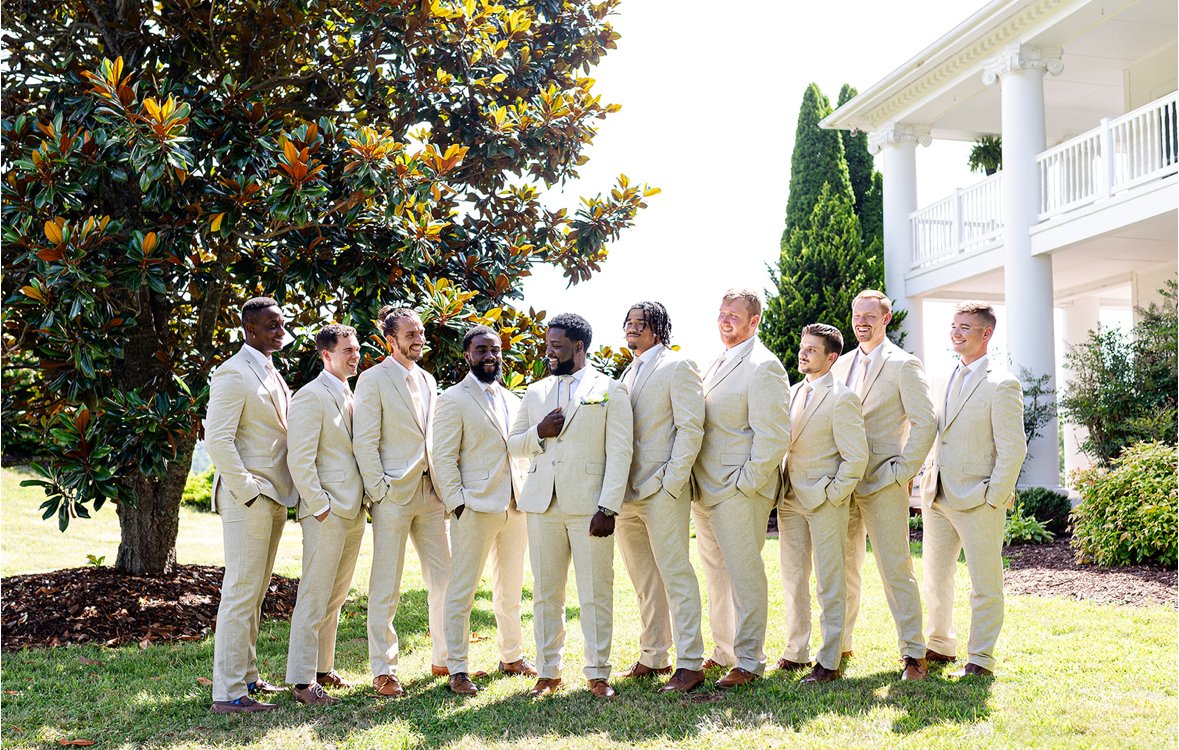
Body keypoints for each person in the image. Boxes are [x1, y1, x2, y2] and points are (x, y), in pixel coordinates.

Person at [507, 313, 633, 699]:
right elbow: (513, 444)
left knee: (596, 592)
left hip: (590, 507)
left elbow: (620, 451)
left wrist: (608, 507)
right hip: (542, 505)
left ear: (578, 347)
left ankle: (598, 674)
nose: (548, 352)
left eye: (556, 346)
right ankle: (548, 673)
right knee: (546, 593)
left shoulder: (610, 389)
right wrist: (539, 432)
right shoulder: (535, 392)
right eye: (547, 345)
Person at [831, 290, 936, 681]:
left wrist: (902, 471)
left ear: (886, 319)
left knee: (896, 570)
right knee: (842, 568)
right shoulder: (840, 364)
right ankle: (839, 647)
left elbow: (925, 422)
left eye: (869, 316)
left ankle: (914, 654)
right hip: (842, 483)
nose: (861, 322)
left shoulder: (904, 364)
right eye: (856, 315)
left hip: (883, 481)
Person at [691, 289, 791, 689]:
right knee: (716, 574)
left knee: (744, 574)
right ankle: (725, 650)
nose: (725, 320)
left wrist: (746, 482)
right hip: (706, 488)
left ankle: (749, 660)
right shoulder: (717, 360)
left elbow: (774, 435)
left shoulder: (764, 366)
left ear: (754, 321)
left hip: (738, 489)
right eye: (721, 313)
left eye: (734, 315)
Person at [921, 302, 1026, 678]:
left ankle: (980, 658)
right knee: (936, 577)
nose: (956, 332)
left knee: (985, 583)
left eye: (965, 327)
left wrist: (993, 498)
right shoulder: (941, 376)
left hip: (979, 500)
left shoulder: (1003, 383)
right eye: (954, 326)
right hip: (937, 495)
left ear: (986, 333)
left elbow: (1014, 449)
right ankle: (939, 645)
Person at [431, 326, 536, 696]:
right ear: (467, 355)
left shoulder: (513, 399)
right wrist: (458, 503)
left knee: (510, 590)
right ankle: (458, 668)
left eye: (495, 349)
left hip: (516, 506)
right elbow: (443, 457)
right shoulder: (452, 399)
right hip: (474, 507)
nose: (490, 356)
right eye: (481, 350)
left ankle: (512, 656)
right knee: (462, 592)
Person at [205, 297, 299, 713]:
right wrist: (247, 489)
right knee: (241, 592)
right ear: (250, 329)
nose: (280, 332)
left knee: (256, 592)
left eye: (282, 325)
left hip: (276, 494)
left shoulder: (270, 370)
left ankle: (247, 677)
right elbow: (217, 438)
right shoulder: (232, 372)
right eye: (271, 326)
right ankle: (227, 692)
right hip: (250, 497)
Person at [353, 306, 451, 697]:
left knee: (445, 578)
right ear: (390, 340)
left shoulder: (428, 379)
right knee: (386, 585)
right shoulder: (371, 379)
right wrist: (379, 491)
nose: (419, 339)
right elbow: (365, 441)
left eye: (421, 332)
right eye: (410, 334)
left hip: (431, 494)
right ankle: (384, 670)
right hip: (392, 495)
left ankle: (445, 658)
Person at [615, 302, 707, 693]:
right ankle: (654, 656)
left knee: (675, 575)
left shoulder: (678, 365)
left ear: (660, 329)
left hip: (662, 491)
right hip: (626, 494)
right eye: (629, 322)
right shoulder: (627, 372)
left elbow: (691, 428)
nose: (633, 328)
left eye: (642, 323)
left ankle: (690, 663)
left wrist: (672, 481)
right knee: (644, 580)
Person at [777, 324, 868, 684]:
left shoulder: (843, 398)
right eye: (803, 347)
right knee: (793, 577)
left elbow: (856, 458)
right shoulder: (792, 392)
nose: (803, 353)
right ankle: (795, 651)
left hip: (825, 502)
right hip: (789, 499)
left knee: (830, 581)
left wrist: (833, 495)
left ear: (831, 358)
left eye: (812, 350)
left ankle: (829, 660)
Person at [284, 324, 365, 706]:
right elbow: (299, 459)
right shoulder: (309, 396)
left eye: (357, 349)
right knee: (314, 596)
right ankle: (302, 682)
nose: (355, 356)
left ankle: (322, 668)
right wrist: (320, 507)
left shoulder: (351, 394)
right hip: (326, 512)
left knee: (335, 596)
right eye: (347, 350)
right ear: (326, 355)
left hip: (354, 510)